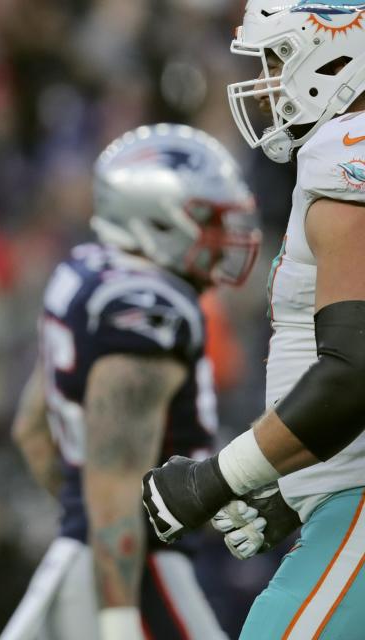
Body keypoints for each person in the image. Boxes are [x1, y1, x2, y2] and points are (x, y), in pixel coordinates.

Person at [142, 1, 365, 637]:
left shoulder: (347, 151)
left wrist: (218, 477)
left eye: (279, 58)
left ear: (338, 56)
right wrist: (295, 482)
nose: (268, 80)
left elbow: (354, 372)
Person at [1, 124, 261, 640]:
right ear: (155, 219)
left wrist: (86, 525)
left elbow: (32, 430)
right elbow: (116, 479)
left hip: (86, 555)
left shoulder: (86, 272)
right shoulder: (147, 310)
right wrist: (119, 612)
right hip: (140, 571)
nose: (223, 236)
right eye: (207, 219)